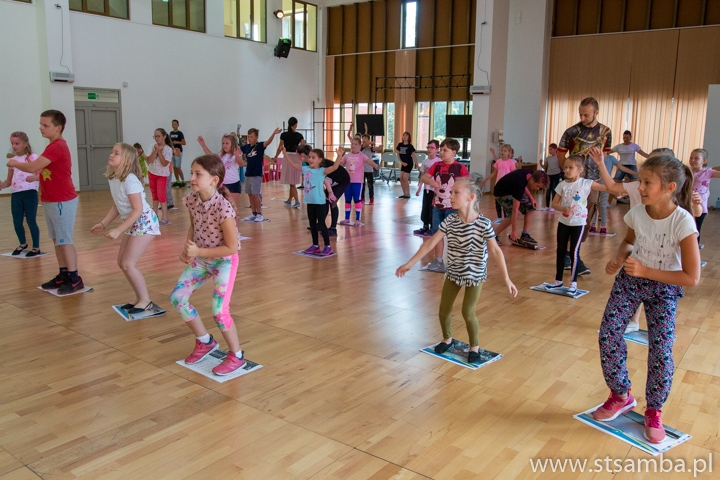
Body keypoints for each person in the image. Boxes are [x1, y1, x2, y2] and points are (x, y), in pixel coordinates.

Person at [591, 153, 700, 444]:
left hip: (664, 288)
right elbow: (629, 241)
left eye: (647, 183)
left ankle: (654, 409)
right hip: (630, 280)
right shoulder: (638, 212)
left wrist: (646, 271)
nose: (639, 187)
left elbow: (691, 277)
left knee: (661, 350)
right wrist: (619, 258)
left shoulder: (683, 221)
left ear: (669, 187)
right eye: (640, 181)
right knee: (608, 335)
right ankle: (621, 395)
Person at [396, 178, 518, 363]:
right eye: (451, 192)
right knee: (444, 309)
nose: (450, 196)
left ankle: (474, 347)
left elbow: (495, 251)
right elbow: (430, 243)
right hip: (454, 273)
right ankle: (447, 339)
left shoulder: (483, 223)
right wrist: (410, 263)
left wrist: (507, 279)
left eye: (455, 193)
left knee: (468, 312)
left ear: (470, 197)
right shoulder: (450, 221)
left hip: (474, 275)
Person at [169, 155, 245, 376]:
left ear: (214, 180)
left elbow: (231, 247)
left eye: (198, 174)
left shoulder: (224, 208)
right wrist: (188, 248)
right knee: (178, 297)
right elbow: (194, 226)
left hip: (224, 262)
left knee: (219, 312)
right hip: (201, 259)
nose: (192, 178)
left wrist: (198, 252)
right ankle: (205, 341)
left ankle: (237, 355)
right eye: (191, 173)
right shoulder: (192, 200)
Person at [7, 110, 84, 294]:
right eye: (40, 124)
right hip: (51, 199)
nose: (41, 128)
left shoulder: (57, 146)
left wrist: (15, 163)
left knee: (64, 240)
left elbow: (33, 166)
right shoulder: (52, 146)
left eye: (45, 125)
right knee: (57, 240)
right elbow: (48, 171)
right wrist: (38, 177)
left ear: (58, 128)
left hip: (62, 199)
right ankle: (63, 274)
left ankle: (75, 278)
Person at [91, 143, 160, 314]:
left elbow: (138, 210)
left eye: (116, 153)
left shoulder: (130, 180)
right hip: (133, 223)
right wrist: (103, 223)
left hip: (144, 222)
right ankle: (139, 298)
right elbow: (118, 204)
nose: (111, 155)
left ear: (127, 161)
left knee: (128, 263)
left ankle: (145, 301)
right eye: (112, 152)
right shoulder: (114, 178)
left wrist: (118, 230)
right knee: (122, 262)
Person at [556, 97, 613, 273]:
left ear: (596, 112)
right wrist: (568, 173)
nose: (582, 118)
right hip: (573, 183)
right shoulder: (571, 131)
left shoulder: (605, 132)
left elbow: (604, 156)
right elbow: (561, 154)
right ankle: (569, 255)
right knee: (569, 217)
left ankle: (574, 253)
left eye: (586, 115)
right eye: (580, 114)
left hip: (593, 183)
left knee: (585, 220)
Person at [546, 155, 608, 293]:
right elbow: (554, 203)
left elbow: (607, 187)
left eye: (571, 167)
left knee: (574, 251)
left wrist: (621, 190)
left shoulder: (586, 183)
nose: (567, 170)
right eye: (565, 167)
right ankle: (558, 280)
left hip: (578, 224)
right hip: (563, 223)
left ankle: (573, 283)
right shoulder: (562, 185)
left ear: (580, 169)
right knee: (561, 250)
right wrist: (562, 208)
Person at [419, 138, 470, 272]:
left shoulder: (460, 167)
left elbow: (467, 184)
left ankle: (457, 262)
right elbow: (424, 177)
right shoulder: (436, 165)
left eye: (445, 150)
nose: (442, 152)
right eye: (441, 150)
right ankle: (438, 261)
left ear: (454, 152)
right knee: (437, 233)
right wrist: (431, 182)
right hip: (437, 206)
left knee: (455, 235)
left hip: (453, 208)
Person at [284, 145, 341, 255]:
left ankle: (328, 246)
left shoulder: (322, 171)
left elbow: (334, 167)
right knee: (312, 224)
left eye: (313, 157)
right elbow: (293, 164)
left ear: (320, 160)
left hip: (320, 203)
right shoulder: (306, 169)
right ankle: (315, 245)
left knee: (321, 224)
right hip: (310, 202)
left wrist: (339, 156)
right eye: (309, 157)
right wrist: (285, 154)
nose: (310, 159)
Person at [1, 132, 41, 257]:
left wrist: (35, 178)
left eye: (17, 143)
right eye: (12, 143)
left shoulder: (33, 157)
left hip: (30, 192)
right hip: (16, 194)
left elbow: (41, 174)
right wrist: (2, 185)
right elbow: (9, 180)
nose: (14, 146)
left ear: (25, 143)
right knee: (17, 221)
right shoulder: (12, 161)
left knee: (31, 220)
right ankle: (22, 243)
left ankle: (36, 247)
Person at [197, 134, 246, 231]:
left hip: (234, 185)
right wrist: (203, 145)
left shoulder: (236, 154)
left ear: (232, 144)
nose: (224, 145)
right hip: (223, 185)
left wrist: (237, 156)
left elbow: (241, 164)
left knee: (233, 208)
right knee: (223, 209)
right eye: (223, 143)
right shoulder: (221, 155)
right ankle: (225, 230)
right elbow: (211, 156)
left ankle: (236, 231)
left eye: (227, 143)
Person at [491, 168, 549, 245]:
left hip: (512, 190)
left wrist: (532, 198)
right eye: (538, 186)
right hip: (501, 193)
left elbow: (523, 187)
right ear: (532, 180)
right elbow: (515, 210)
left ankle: (525, 235)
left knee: (530, 207)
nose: (538, 189)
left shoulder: (531, 174)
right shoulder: (519, 183)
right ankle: (493, 236)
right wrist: (514, 231)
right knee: (512, 216)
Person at [240, 127, 281, 222]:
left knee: (255, 194)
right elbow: (237, 149)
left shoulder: (259, 146)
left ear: (256, 137)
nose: (249, 139)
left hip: (256, 174)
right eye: (248, 137)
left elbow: (268, 142)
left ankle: (259, 214)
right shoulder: (246, 147)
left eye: (251, 137)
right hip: (248, 173)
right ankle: (253, 213)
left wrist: (273, 133)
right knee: (250, 194)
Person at [337, 138, 380, 226]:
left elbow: (369, 161)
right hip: (347, 182)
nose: (353, 145)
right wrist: (339, 156)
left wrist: (376, 166)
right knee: (347, 200)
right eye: (352, 144)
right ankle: (347, 218)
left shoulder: (362, 156)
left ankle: (358, 219)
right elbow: (339, 165)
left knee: (357, 200)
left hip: (357, 182)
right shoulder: (347, 156)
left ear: (360, 146)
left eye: (356, 144)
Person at [482, 144, 520, 223]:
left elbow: (513, 174)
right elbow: (494, 173)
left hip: (507, 186)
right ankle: (499, 217)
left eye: (505, 151)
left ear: (509, 152)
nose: (503, 152)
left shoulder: (511, 162)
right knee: (497, 201)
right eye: (502, 150)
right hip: (498, 185)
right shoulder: (498, 161)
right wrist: (486, 179)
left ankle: (506, 217)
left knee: (505, 202)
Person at [688, 148, 720, 244]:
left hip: (700, 207)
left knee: (695, 230)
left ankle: (695, 249)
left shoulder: (708, 172)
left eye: (696, 158)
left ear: (704, 160)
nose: (692, 160)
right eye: (691, 158)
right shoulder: (687, 171)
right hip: (687, 205)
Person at [274, 117, 304, 208]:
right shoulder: (299, 135)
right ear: (295, 125)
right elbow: (304, 146)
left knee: (292, 182)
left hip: (288, 157)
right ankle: (289, 200)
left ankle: (297, 201)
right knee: (292, 181)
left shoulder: (284, 135)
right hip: (296, 158)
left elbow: (280, 147)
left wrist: (276, 156)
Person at [414, 139, 442, 235]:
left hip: (435, 189)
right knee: (425, 206)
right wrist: (419, 188)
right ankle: (425, 225)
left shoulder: (439, 162)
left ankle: (433, 227)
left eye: (432, 148)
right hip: (427, 189)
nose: (429, 149)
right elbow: (423, 175)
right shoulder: (425, 161)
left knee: (432, 208)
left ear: (437, 150)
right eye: (428, 147)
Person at [147, 128, 173, 225]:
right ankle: (155, 216)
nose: (156, 138)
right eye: (155, 136)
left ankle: (165, 217)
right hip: (152, 173)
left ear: (164, 136)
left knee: (161, 195)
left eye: (158, 136)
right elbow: (149, 160)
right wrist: (156, 150)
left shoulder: (168, 149)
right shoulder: (152, 146)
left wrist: (160, 152)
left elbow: (164, 163)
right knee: (154, 195)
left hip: (162, 175)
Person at [320, 154, 350, 237]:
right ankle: (320, 224)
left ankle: (333, 229)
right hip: (332, 180)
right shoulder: (311, 164)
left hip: (342, 180)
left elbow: (325, 179)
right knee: (325, 201)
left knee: (332, 201)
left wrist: (330, 192)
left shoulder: (321, 165)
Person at [395, 132, 418, 199]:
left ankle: (408, 194)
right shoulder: (400, 145)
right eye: (403, 135)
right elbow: (398, 154)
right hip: (403, 163)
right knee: (401, 178)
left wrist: (417, 165)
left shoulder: (410, 146)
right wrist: (402, 162)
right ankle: (404, 193)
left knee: (405, 178)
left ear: (409, 137)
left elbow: (414, 156)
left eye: (406, 136)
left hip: (409, 163)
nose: (404, 137)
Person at [540, 143, 561, 212]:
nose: (550, 151)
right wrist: (541, 163)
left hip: (556, 175)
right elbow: (545, 167)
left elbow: (561, 165)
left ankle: (553, 207)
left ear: (555, 149)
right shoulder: (548, 158)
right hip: (549, 175)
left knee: (554, 191)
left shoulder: (558, 158)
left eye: (551, 149)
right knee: (548, 191)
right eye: (549, 149)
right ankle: (547, 206)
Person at [360, 134, 378, 205]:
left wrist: (379, 147)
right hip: (362, 169)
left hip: (369, 169)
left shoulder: (370, 148)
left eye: (366, 138)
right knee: (362, 185)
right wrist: (370, 142)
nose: (364, 139)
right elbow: (364, 145)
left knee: (370, 185)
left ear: (368, 139)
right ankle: (362, 198)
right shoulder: (361, 146)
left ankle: (371, 199)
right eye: (363, 138)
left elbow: (375, 149)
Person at [169, 119, 187, 187]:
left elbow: (184, 142)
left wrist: (177, 142)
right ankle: (177, 181)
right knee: (174, 167)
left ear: (178, 125)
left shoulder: (180, 133)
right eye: (173, 124)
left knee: (178, 167)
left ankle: (183, 181)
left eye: (175, 124)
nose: (174, 125)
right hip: (172, 152)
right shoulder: (171, 133)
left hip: (178, 152)